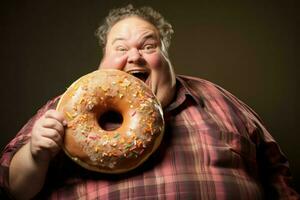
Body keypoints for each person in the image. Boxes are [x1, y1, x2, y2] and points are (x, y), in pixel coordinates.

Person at [0, 4, 298, 200]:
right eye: (120, 47)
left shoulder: (219, 98)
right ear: (102, 61)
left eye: (148, 45)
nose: (135, 56)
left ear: (166, 58)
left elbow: (277, 175)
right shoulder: (64, 107)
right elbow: (14, 188)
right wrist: (37, 155)